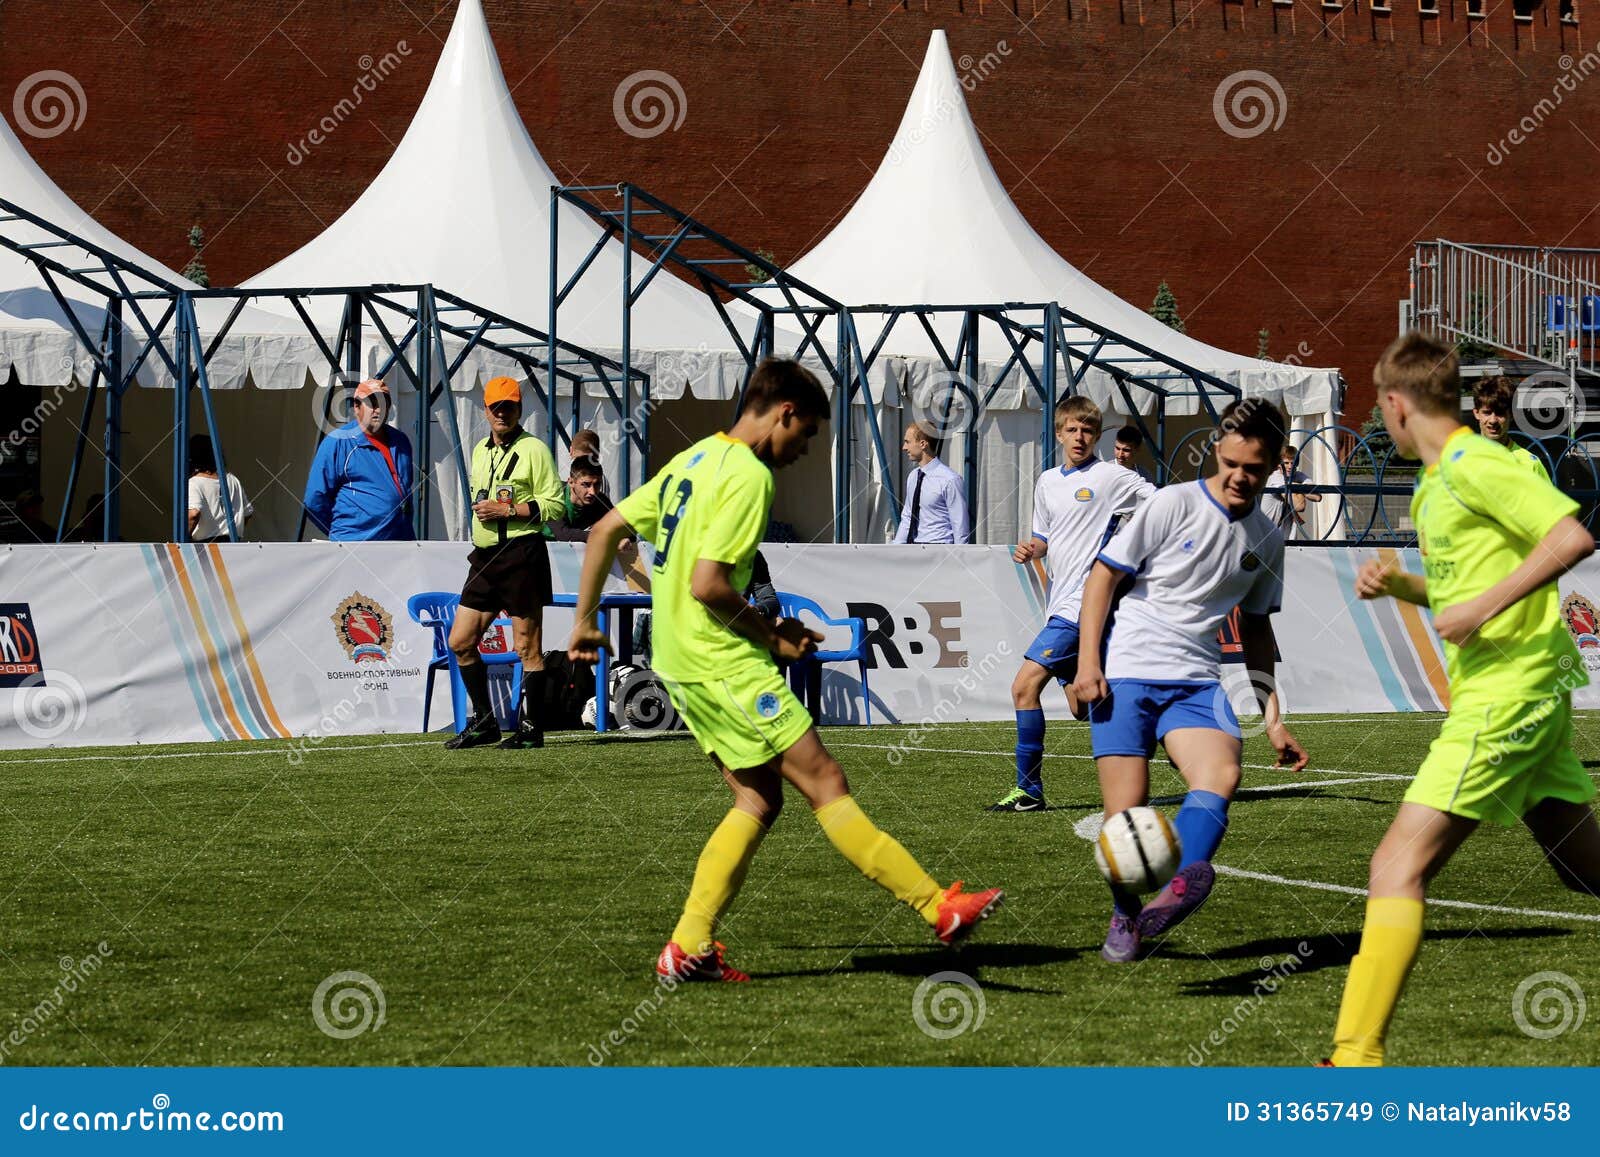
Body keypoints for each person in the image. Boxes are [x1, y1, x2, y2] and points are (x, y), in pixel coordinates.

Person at [569, 358, 1004, 982]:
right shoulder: (748, 476)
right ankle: (939, 907)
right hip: (720, 659)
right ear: (785, 413)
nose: (800, 452)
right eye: (803, 438)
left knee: (758, 797)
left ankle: (688, 945)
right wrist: (772, 634)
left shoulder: (691, 460)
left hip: (680, 659)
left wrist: (583, 621)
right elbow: (709, 584)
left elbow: (604, 529)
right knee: (824, 778)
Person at [1324, 333, 1600, 1066]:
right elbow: (1461, 589)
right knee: (1585, 869)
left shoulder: (1478, 463)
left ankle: (1354, 1059)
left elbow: (1571, 537)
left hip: (1507, 696)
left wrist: (1480, 611)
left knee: (1395, 866)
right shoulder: (1435, 479)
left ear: (1393, 403)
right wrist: (1406, 587)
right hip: (1522, 693)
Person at [1072, 398, 1308, 963]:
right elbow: (1102, 578)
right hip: (1127, 671)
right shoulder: (1170, 504)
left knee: (1223, 772)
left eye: (1252, 467)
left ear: (1275, 463)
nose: (1237, 476)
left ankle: (1181, 888)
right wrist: (1087, 664)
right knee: (1126, 823)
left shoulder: (1268, 542)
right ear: (1218, 453)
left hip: (1197, 682)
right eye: (1228, 463)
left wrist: (1272, 719)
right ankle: (1126, 917)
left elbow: (1256, 634)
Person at [990, 397, 1156, 813]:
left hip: (1083, 606)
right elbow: (1044, 536)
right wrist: (1033, 548)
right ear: (1060, 433)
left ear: (1097, 436)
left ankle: (1028, 791)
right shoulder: (1047, 481)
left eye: (1087, 430)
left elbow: (1161, 502)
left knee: (1023, 687)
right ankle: (1157, 720)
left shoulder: (1112, 476)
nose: (1079, 437)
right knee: (1083, 706)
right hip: (1058, 602)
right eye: (1072, 430)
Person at [446, 376, 566, 750]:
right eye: (496, 407)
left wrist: (508, 509)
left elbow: (557, 507)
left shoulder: (535, 450)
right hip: (484, 557)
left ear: (519, 409)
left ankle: (531, 731)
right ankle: (485, 722)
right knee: (460, 641)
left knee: (527, 647)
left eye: (509, 406)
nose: (502, 413)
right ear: (485, 410)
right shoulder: (481, 449)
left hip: (521, 555)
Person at [303, 379, 415, 541]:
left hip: (400, 544)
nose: (378, 410)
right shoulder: (338, 442)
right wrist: (343, 532)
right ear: (357, 407)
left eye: (383, 404)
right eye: (372, 403)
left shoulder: (401, 441)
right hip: (356, 546)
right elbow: (314, 499)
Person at [891, 422, 969, 544]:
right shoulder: (913, 477)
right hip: (914, 549)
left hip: (939, 548)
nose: (904, 447)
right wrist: (896, 549)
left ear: (923, 444)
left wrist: (958, 559)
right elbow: (907, 517)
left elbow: (960, 526)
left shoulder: (950, 480)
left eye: (908, 442)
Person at [1472, 375, 1550, 478]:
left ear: (1512, 415)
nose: (1493, 420)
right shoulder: (1461, 459)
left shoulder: (1530, 464)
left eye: (1500, 413)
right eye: (1487, 413)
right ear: (1476, 413)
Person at [186, 436, 252, 543]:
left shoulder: (194, 482)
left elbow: (193, 514)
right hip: (234, 545)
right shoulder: (233, 480)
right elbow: (247, 513)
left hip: (206, 548)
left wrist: (182, 541)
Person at [1259, 443, 1322, 540]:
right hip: (1265, 535)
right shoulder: (1275, 478)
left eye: (1293, 463)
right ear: (1279, 464)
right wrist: (1300, 487)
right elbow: (1299, 506)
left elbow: (1317, 497)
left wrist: (1295, 486)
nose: (1289, 467)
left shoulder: (1298, 475)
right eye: (1286, 463)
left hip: (1283, 537)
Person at [547, 454, 615, 542]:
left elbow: (626, 529)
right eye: (586, 484)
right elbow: (563, 534)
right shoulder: (554, 496)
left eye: (597, 484)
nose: (592, 492)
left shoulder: (601, 501)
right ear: (571, 482)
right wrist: (602, 535)